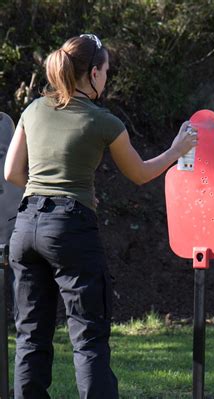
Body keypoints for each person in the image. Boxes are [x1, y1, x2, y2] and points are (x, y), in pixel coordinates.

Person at [4, 34, 197, 399]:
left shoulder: (32, 110)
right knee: (88, 336)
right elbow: (139, 173)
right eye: (106, 72)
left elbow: (12, 174)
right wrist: (176, 149)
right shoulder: (103, 121)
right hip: (69, 229)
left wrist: (46, 186)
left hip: (26, 224)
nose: (107, 79)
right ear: (93, 73)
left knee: (30, 335)